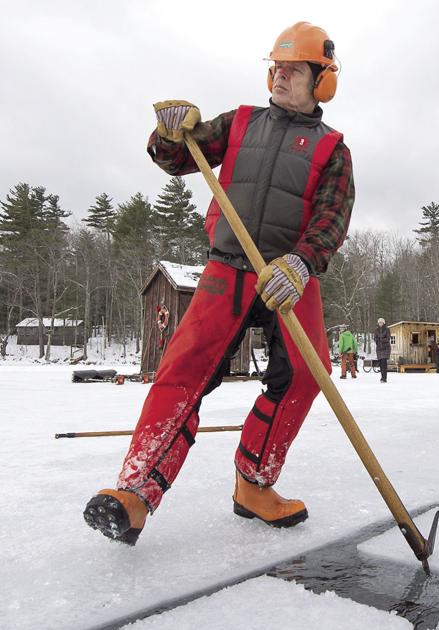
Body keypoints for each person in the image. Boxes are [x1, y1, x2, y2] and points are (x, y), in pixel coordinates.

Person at [83, 22, 354, 545]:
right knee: (181, 372)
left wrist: (300, 264)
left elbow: (332, 220)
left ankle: (254, 483)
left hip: (290, 276)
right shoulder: (241, 122)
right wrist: (169, 130)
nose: (278, 76)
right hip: (229, 266)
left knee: (304, 374)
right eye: (275, 67)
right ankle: (135, 492)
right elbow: (179, 158)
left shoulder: (334, 149)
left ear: (322, 81)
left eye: (293, 69)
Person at [373, 317, 391, 383]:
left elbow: (388, 338)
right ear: (378, 323)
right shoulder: (376, 330)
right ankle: (382, 377)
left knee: (384, 363)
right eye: (379, 322)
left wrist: (381, 339)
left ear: (384, 323)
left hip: (386, 348)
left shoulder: (387, 329)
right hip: (379, 349)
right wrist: (378, 340)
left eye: (381, 322)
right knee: (380, 364)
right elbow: (375, 338)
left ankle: (384, 378)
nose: (380, 323)